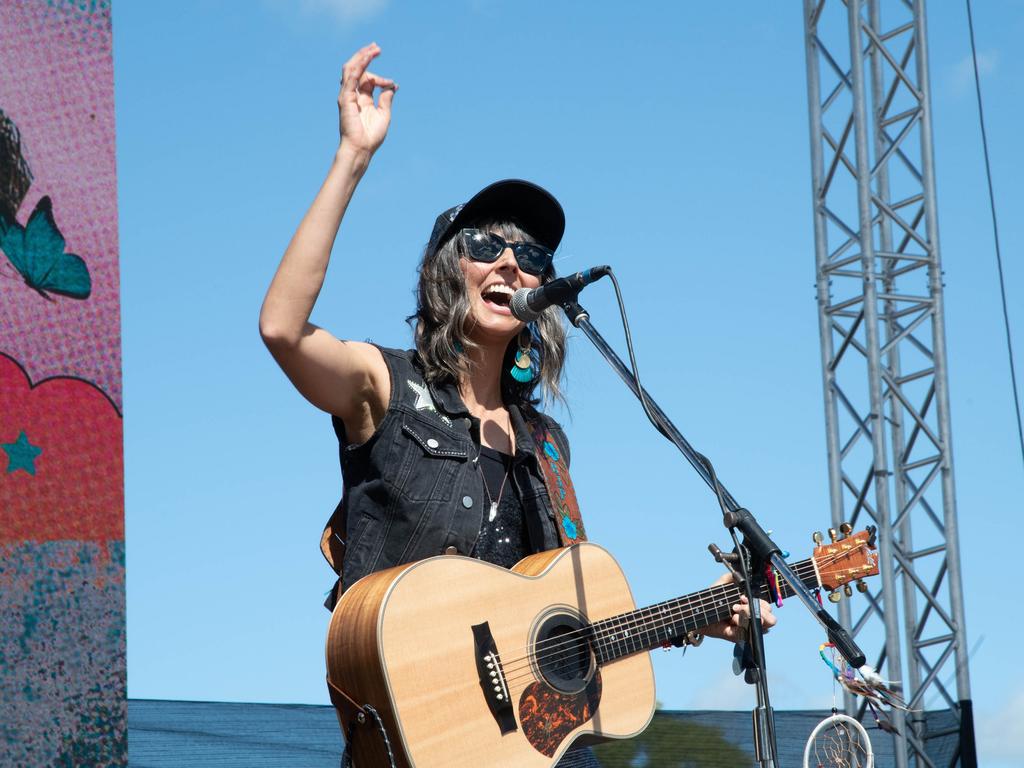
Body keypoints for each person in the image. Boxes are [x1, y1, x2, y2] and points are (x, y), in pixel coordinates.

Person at [260, 43, 775, 768]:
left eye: (531, 256)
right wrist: (353, 157)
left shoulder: (546, 445)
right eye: (485, 245)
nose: (511, 262)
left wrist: (694, 617)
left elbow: (564, 624)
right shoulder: (386, 385)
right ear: (446, 273)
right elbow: (282, 329)